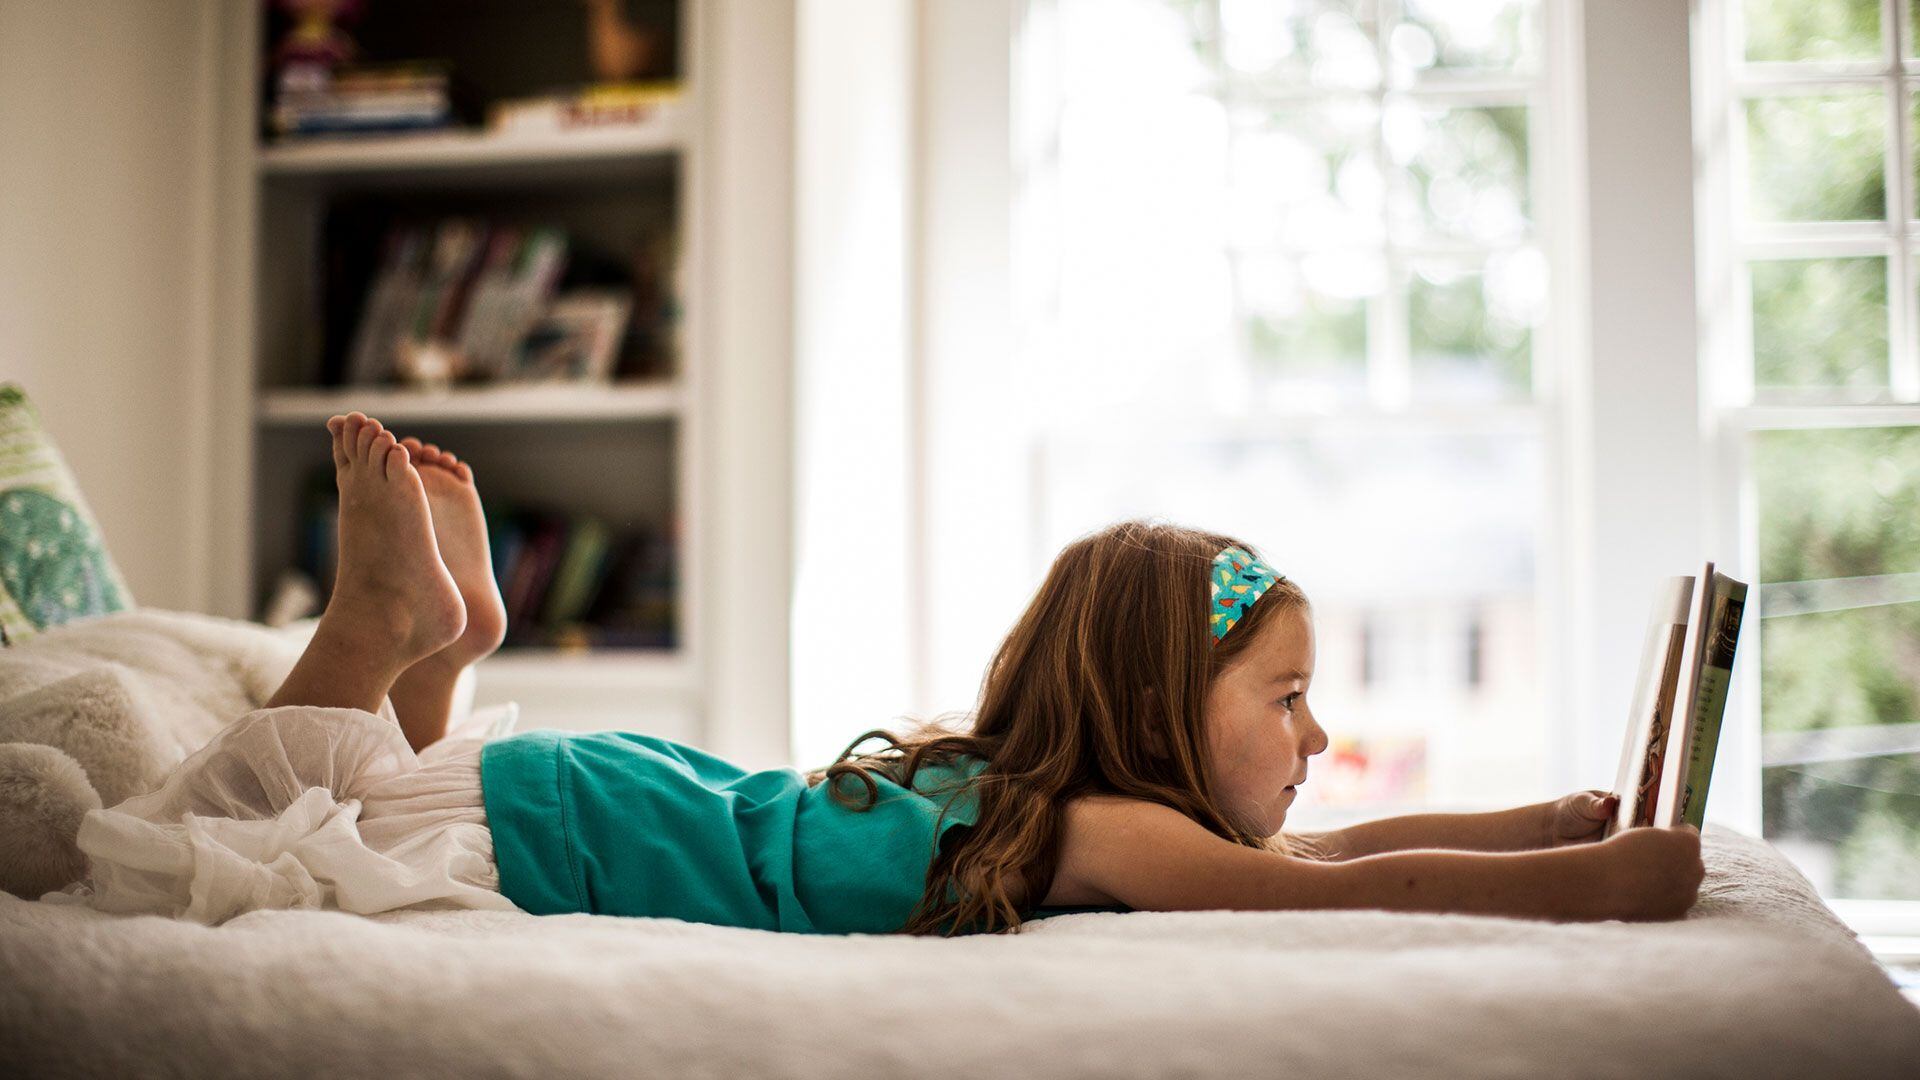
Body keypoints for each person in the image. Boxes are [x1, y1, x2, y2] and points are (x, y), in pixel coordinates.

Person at [46, 413, 1705, 932]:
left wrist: (1548, 817)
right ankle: (375, 624)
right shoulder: (1103, 834)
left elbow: (1330, 853)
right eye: (1284, 700)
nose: (1319, 734)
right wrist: (1598, 881)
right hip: (578, 833)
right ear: (1148, 720)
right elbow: (1342, 895)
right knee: (202, 854)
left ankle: (449, 644)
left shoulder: (1069, 803)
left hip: (601, 796)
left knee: (349, 806)